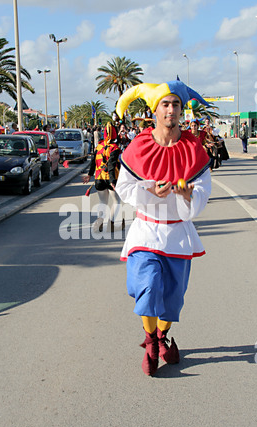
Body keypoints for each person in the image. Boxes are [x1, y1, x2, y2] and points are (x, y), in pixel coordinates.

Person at [115, 80, 211, 376]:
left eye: (176, 105)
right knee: (148, 286)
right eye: (165, 105)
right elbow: (124, 186)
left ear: (182, 110)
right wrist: (150, 193)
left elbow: (204, 190)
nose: (171, 110)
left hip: (178, 235)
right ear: (154, 111)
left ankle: (161, 335)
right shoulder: (139, 145)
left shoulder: (193, 148)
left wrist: (187, 195)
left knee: (172, 296)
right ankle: (151, 341)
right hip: (146, 232)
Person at [82, 122, 122, 232]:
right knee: (116, 201)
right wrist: (113, 181)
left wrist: (89, 175)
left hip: (98, 178)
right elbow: (111, 165)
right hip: (110, 179)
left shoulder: (99, 146)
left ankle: (99, 223)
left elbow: (93, 162)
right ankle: (111, 224)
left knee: (103, 202)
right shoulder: (114, 148)